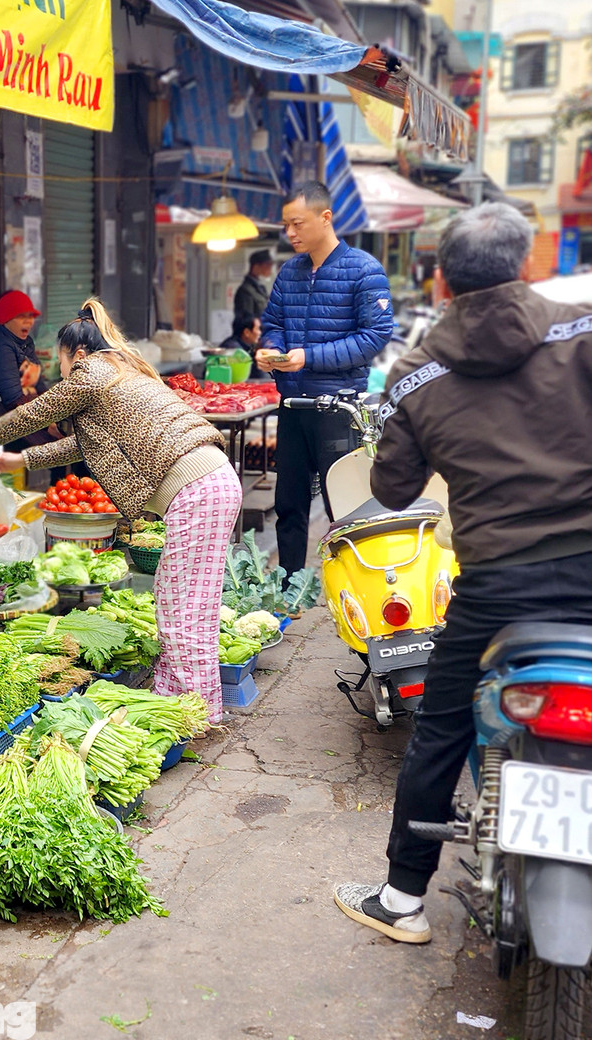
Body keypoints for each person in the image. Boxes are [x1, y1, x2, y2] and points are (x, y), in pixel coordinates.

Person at [333, 203, 592, 943]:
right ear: (529, 262)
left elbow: (391, 491)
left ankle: (401, 899)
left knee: (441, 729)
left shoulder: (415, 378)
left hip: (495, 586)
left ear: (440, 279)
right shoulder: (581, 333)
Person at [0, 299, 241, 722]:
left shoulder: (93, 371)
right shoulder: (122, 371)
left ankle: (192, 714)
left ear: (80, 354)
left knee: (181, 610)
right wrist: (22, 461)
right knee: (185, 604)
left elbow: (34, 413)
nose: (61, 372)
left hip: (196, 490)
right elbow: (88, 444)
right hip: (212, 483)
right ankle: (188, 704)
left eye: (63, 362)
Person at [255, 181, 393, 577]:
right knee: (289, 503)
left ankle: (359, 584)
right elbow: (273, 323)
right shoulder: (289, 271)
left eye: (297, 224)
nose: (290, 234)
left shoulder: (364, 269)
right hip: (293, 406)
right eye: (286, 226)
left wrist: (308, 358)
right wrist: (271, 349)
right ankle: (290, 586)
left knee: (344, 503)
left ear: (325, 217)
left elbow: (374, 336)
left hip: (338, 407)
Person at [0, 290, 63, 449]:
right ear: (5, 319)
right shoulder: (0, 347)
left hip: (19, 413)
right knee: (54, 451)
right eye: (21, 317)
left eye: (31, 316)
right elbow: (13, 397)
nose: (29, 322)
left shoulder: (25, 343)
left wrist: (56, 410)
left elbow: (38, 384)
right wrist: (47, 423)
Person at [233, 249, 273, 322]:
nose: (270, 269)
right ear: (256, 267)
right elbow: (247, 320)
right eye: (267, 265)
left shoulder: (260, 288)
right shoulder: (246, 291)